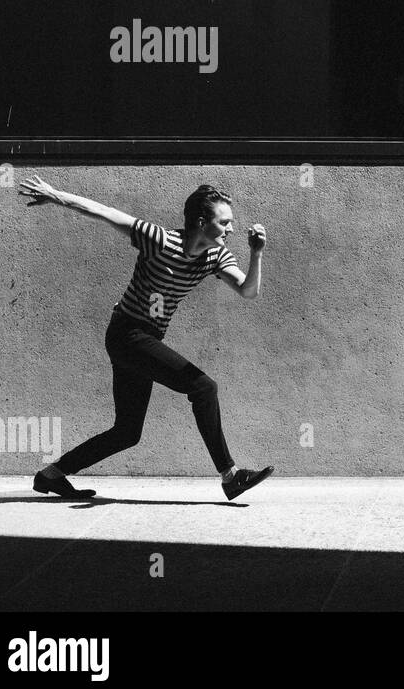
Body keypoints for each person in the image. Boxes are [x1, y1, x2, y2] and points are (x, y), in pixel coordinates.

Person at [17, 175, 274, 501]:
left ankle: (51, 474)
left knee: (127, 432)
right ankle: (231, 475)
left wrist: (257, 254)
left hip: (145, 339)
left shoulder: (215, 257)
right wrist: (55, 196)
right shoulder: (158, 239)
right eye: (224, 222)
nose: (231, 229)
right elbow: (103, 211)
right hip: (127, 334)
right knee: (203, 386)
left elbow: (248, 291)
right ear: (201, 222)